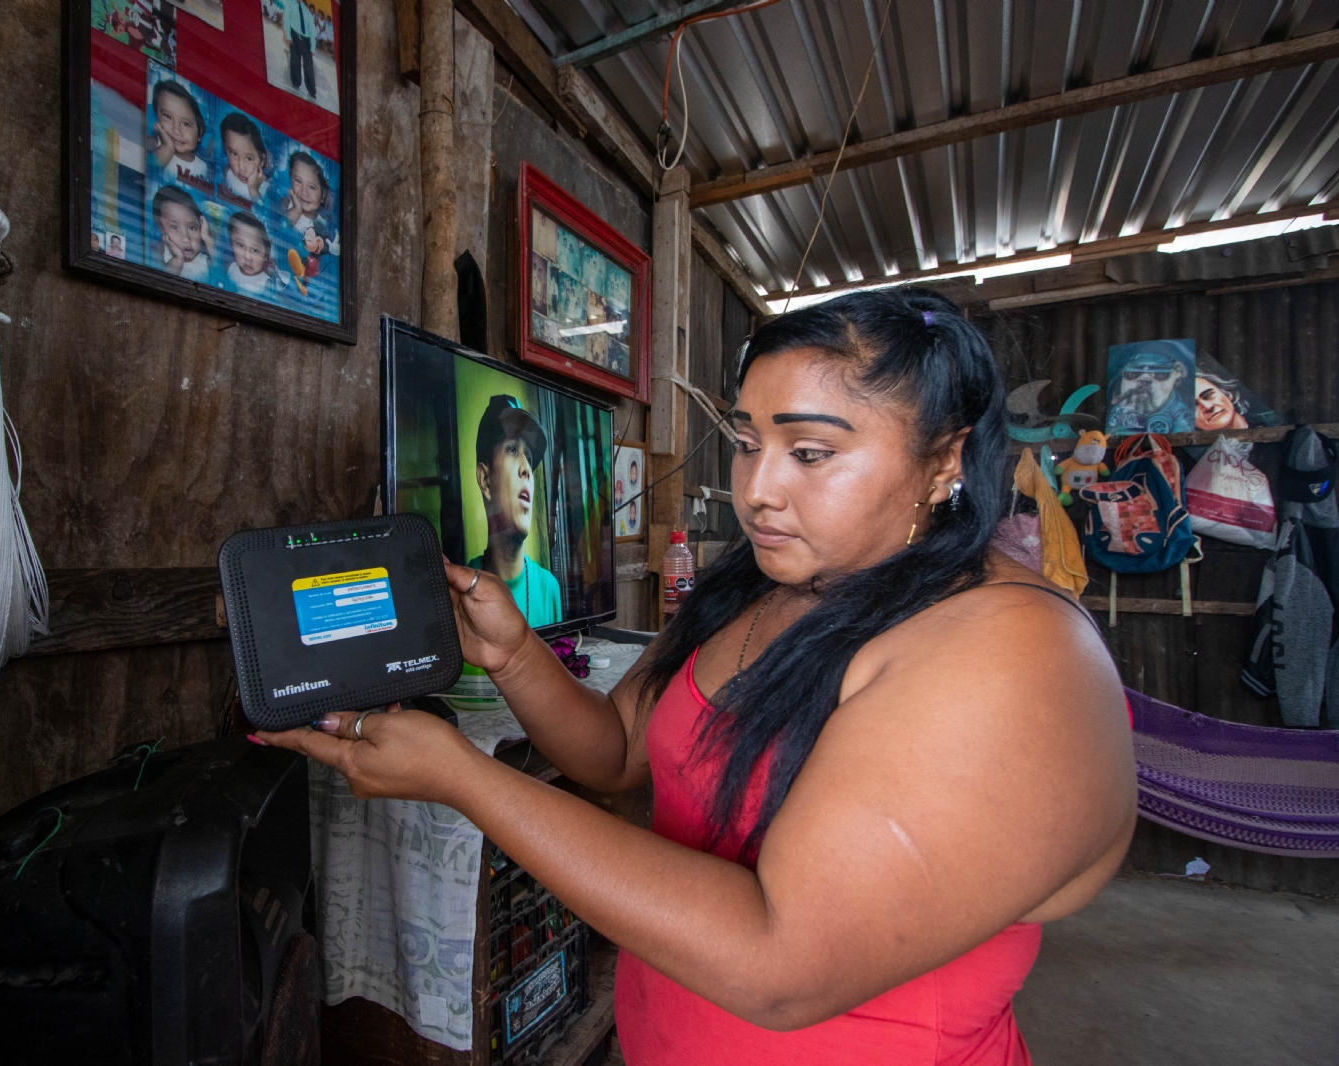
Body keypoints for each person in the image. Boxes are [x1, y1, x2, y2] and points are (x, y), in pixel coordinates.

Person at [255, 289, 1134, 1065]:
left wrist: (460, 776)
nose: (756, 489)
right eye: (749, 442)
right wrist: (515, 652)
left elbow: (780, 965)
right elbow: (621, 752)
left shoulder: (1011, 651)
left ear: (945, 459)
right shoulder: (758, 584)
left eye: (812, 453)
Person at [465, 395, 562, 628]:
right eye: (512, 449)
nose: (526, 469)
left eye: (528, 457)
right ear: (486, 480)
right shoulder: (463, 587)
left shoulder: (548, 589)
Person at [278, 150, 339, 281]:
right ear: (290, 178)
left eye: (312, 187)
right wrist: (297, 210)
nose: (304, 192)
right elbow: (281, 228)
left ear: (322, 195)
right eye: (298, 181)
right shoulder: (286, 204)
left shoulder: (322, 224)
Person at [149, 80, 209, 187]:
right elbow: (149, 170)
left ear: (199, 133)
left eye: (186, 124)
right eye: (167, 116)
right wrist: (167, 147)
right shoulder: (152, 144)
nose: (176, 130)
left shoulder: (203, 167)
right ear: (156, 116)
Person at [151, 185, 210, 280]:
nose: (186, 238)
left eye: (192, 228)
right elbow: (161, 283)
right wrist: (177, 259)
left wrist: (207, 238)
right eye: (174, 227)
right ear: (161, 228)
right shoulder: (159, 252)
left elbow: (221, 274)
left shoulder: (205, 262)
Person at [225, 212, 285, 297]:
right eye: (241, 245)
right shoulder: (230, 268)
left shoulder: (266, 283)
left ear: (266, 255)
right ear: (231, 244)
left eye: (255, 250)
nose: (248, 257)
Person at [219, 112, 270, 205]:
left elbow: (263, 214)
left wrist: (253, 190)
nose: (241, 167)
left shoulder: (267, 189)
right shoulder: (227, 172)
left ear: (262, 161)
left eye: (249, 159)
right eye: (234, 153)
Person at [283, 0, 318, 98]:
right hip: (294, 35)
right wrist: (289, 36)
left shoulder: (305, 10)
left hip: (306, 40)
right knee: (294, 60)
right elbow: (286, 19)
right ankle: (296, 82)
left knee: (308, 66)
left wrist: (313, 47)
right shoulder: (289, 4)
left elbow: (312, 28)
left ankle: (312, 90)